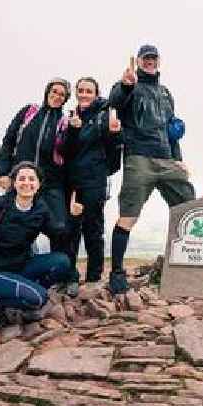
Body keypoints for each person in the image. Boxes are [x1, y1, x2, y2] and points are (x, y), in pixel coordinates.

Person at [107, 44, 195, 294]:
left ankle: (189, 265)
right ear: (139, 62)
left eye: (153, 58)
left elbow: (172, 129)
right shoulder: (129, 86)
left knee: (189, 206)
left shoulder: (166, 93)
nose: (150, 62)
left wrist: (178, 158)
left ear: (159, 61)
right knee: (128, 216)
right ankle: (116, 272)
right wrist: (125, 84)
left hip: (167, 158)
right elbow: (114, 102)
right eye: (146, 58)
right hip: (138, 157)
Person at [0, 161, 81, 329]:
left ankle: (20, 293)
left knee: (62, 262)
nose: (27, 183)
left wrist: (74, 218)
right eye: (22, 178)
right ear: (14, 183)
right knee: (39, 298)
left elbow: (59, 234)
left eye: (32, 179)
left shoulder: (40, 209)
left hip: (20, 265)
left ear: (38, 184)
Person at [0, 78, 72, 260]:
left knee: (60, 227)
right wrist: (3, 172)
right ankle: (16, 265)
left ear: (66, 98)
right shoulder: (29, 112)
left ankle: (63, 274)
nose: (57, 96)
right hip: (21, 181)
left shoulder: (65, 122)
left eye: (62, 94)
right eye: (54, 92)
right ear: (47, 92)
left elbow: (69, 153)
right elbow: (9, 140)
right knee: (13, 225)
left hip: (51, 184)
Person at [63, 77, 122, 296]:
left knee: (93, 228)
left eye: (89, 91)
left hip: (95, 180)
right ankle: (70, 276)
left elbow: (115, 152)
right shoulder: (71, 117)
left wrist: (115, 137)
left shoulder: (105, 115)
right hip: (71, 181)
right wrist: (74, 130)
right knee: (70, 229)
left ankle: (94, 276)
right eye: (81, 90)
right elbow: (66, 151)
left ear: (96, 94)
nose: (84, 94)